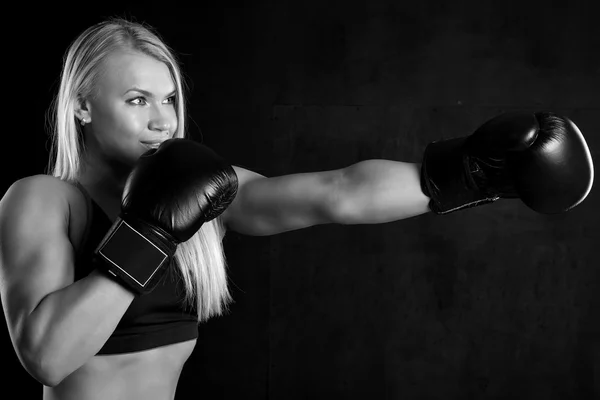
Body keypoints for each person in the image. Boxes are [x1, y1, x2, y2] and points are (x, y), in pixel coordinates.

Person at [0, 16, 594, 400]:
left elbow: (336, 192)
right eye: (136, 100)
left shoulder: (204, 189)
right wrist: (150, 229)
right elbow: (47, 358)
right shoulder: (46, 200)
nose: (162, 120)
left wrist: (469, 173)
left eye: (169, 99)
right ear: (81, 106)